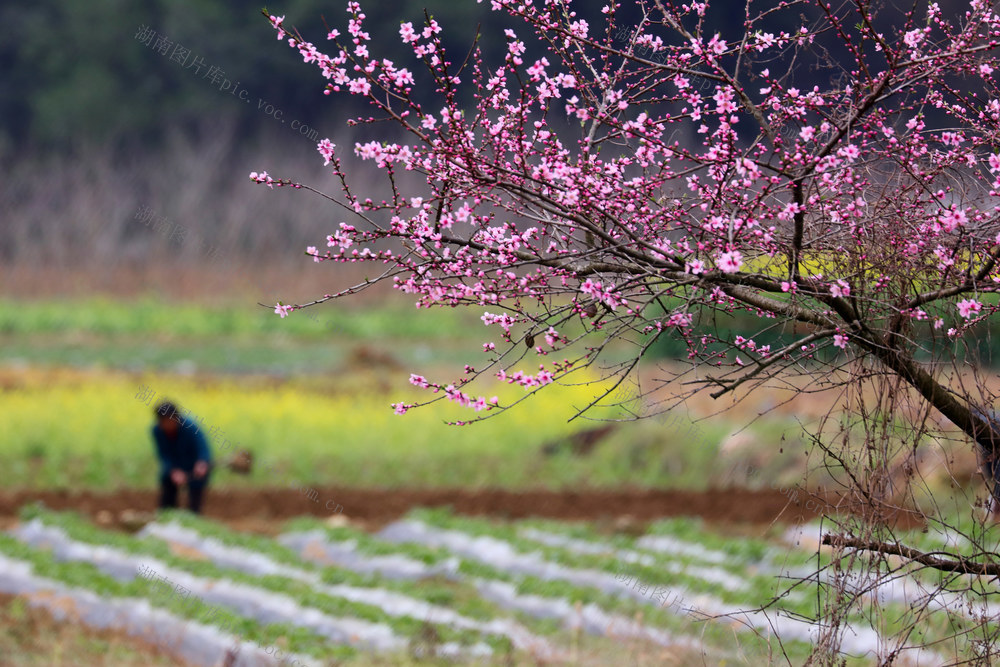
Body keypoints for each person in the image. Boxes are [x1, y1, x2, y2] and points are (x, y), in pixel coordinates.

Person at [151, 400, 212, 514]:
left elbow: (202, 448)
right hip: (175, 466)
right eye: (164, 422)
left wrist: (202, 463)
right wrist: (173, 471)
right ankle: (167, 515)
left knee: (195, 490)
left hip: (194, 466)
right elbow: (164, 455)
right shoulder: (157, 431)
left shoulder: (190, 426)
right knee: (167, 487)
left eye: (170, 420)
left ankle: (194, 517)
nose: (168, 425)